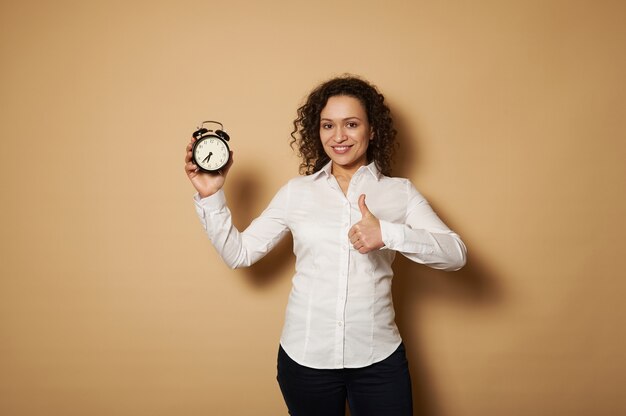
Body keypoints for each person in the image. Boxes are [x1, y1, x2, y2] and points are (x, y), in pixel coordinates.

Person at [184, 75, 467, 416]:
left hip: (378, 359)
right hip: (305, 359)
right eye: (328, 125)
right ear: (316, 132)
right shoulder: (296, 193)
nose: (339, 137)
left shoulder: (400, 193)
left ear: (372, 129)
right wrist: (211, 194)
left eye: (351, 124)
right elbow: (239, 254)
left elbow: (456, 254)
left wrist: (388, 233)